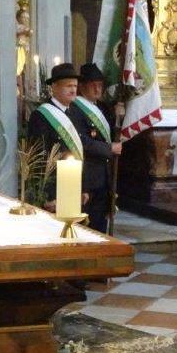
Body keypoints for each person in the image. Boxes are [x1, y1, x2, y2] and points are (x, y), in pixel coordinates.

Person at [27, 63, 86, 207]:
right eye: (68, 86)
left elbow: (81, 152)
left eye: (75, 86)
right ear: (54, 87)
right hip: (54, 191)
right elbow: (39, 159)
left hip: (73, 187)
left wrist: (83, 188)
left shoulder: (76, 113)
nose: (73, 90)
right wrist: (47, 196)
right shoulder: (41, 116)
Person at [71, 63, 121, 233]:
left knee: (100, 226)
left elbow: (110, 132)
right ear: (82, 86)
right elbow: (82, 141)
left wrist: (118, 115)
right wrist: (109, 149)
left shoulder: (102, 107)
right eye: (93, 85)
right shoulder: (75, 109)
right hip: (87, 176)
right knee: (86, 227)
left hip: (104, 176)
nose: (97, 89)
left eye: (100, 85)